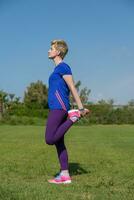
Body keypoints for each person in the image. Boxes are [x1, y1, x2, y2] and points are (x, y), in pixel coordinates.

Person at [45, 39, 90, 184]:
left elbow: (72, 87)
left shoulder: (64, 67)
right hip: (57, 106)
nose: (48, 50)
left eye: (51, 48)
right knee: (59, 142)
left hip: (60, 107)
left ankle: (74, 117)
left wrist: (80, 108)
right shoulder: (57, 69)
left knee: (50, 139)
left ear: (58, 52)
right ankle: (65, 175)